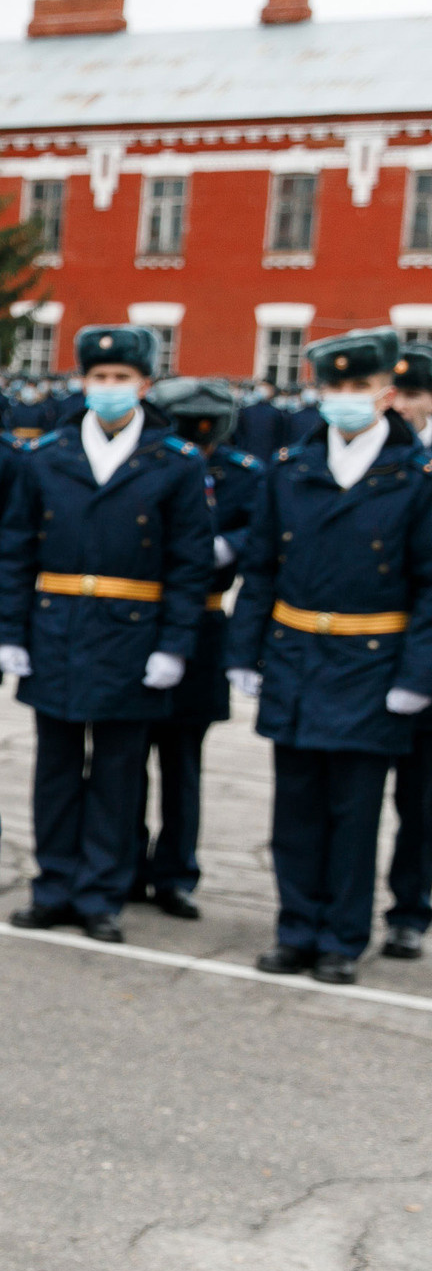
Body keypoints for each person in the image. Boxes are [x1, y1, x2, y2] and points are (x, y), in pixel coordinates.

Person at [0, 325, 214, 944]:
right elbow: (15, 549)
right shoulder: (47, 455)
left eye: (121, 378)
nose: (109, 387)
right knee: (56, 770)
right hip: (57, 627)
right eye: (99, 377)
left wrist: (174, 645)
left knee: (119, 773)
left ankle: (101, 894)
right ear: (83, 381)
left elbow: (189, 564)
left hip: (132, 636)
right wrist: (9, 631)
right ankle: (53, 885)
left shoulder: (176, 462)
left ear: (144, 385)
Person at [227, 330, 432, 984]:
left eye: (359, 387)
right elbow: (261, 568)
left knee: (353, 811)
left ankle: (342, 937)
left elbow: (429, 586)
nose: (345, 398)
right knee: (295, 807)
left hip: (372, 662)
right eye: (334, 386)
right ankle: (296, 929)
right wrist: (245, 651)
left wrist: (417, 674)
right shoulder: (291, 468)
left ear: (387, 393)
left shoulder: (417, 477)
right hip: (295, 654)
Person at [124, 377, 261, 920]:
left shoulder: (244, 473)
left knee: (182, 763)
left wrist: (231, 544)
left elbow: (264, 524)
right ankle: (126, 864)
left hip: (202, 624)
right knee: (126, 759)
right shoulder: (146, 463)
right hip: (142, 618)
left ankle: (176, 873)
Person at [383, 343, 432, 960]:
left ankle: (410, 909)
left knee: (420, 799)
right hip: (365, 648)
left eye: (416, 395)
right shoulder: (378, 455)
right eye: (396, 394)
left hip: (425, 653)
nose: (403, 406)